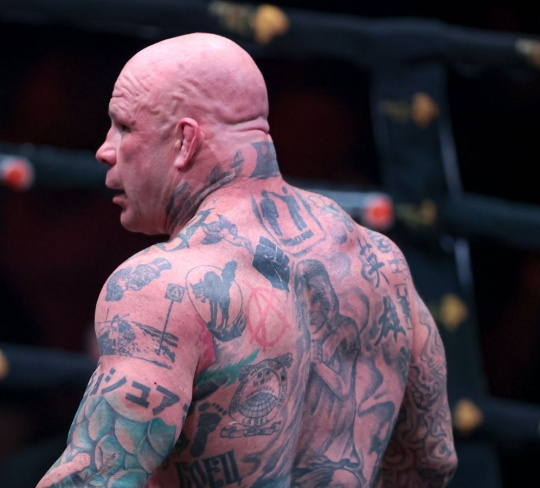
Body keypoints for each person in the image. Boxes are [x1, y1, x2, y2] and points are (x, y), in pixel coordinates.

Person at [36, 32, 457, 487]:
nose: (105, 150)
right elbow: (431, 459)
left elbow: (90, 481)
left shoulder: (162, 287)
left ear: (184, 141)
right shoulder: (381, 264)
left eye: (123, 126)